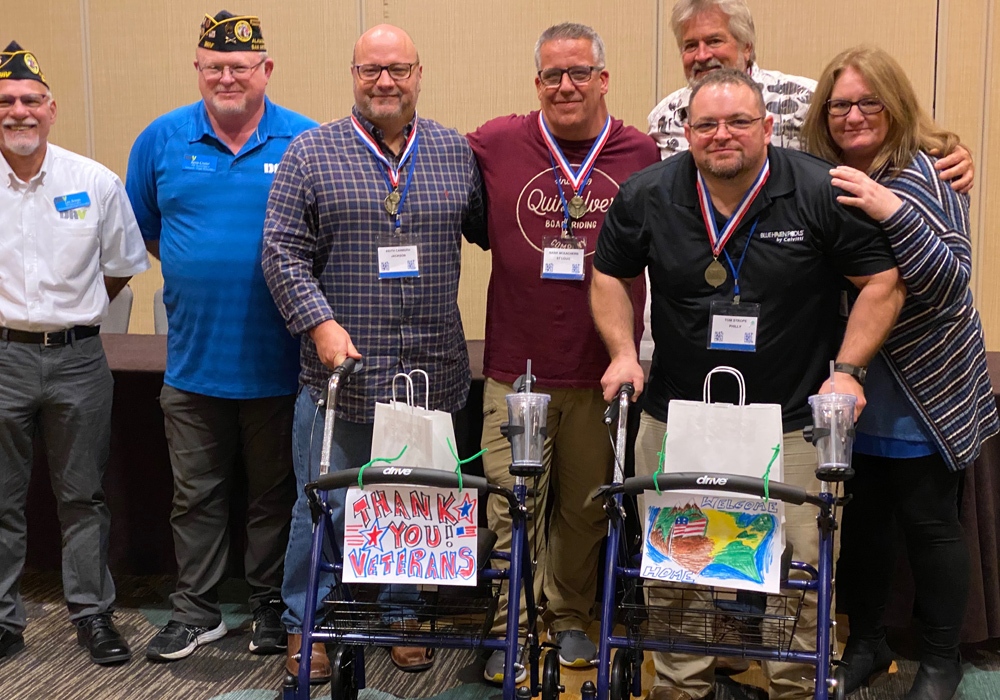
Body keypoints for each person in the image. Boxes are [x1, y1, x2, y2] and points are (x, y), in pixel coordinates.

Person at [590, 68, 905, 700]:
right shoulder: (647, 194)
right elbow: (606, 276)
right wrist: (623, 353)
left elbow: (883, 279)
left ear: (767, 128)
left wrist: (846, 370)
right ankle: (681, 688)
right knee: (679, 569)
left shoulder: (818, 190)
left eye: (738, 122)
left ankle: (796, 688)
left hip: (788, 421)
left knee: (801, 576)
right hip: (677, 416)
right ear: (687, 133)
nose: (721, 135)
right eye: (706, 124)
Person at [262, 24, 487, 680]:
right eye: (370, 70)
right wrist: (319, 324)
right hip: (343, 372)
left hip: (429, 373)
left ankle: (403, 611)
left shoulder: (452, 150)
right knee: (324, 505)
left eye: (397, 69)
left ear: (419, 73)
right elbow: (281, 251)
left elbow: (490, 230)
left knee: (416, 502)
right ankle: (309, 625)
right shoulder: (312, 152)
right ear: (354, 75)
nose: (384, 81)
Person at [800, 46, 999, 700]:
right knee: (861, 523)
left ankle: (942, 660)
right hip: (846, 380)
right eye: (840, 105)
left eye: (868, 102)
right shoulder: (819, 174)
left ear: (895, 104)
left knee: (928, 523)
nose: (853, 116)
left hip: (924, 383)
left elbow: (948, 282)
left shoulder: (929, 172)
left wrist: (889, 208)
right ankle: (868, 644)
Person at [466, 22, 658, 683]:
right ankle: (508, 631)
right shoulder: (494, 142)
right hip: (513, 369)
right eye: (553, 74)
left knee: (585, 508)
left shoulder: (642, 151)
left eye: (579, 73)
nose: (566, 86)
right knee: (508, 502)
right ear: (536, 82)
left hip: (601, 369)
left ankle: (570, 614)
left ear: (604, 78)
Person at [125, 11, 317, 663]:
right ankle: (196, 612)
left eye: (241, 66)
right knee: (196, 497)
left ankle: (269, 605)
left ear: (266, 70)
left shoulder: (306, 141)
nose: (227, 76)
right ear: (198, 70)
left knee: (273, 497)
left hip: (281, 364)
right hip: (193, 364)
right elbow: (147, 233)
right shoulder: (159, 139)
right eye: (215, 66)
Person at [638, 0, 973, 362]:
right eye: (690, 45)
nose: (702, 55)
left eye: (714, 40)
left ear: (747, 46)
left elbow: (866, 137)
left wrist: (944, 148)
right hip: (700, 306)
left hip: (799, 314)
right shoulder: (667, 117)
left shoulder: (802, 100)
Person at [0, 41, 149, 666]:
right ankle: (4, 622)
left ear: (52, 109)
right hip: (3, 356)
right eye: (6, 103)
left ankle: (91, 614)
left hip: (79, 360)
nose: (19, 112)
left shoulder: (94, 181)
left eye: (31, 101)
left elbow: (120, 269)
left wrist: (71, 319)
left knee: (82, 495)